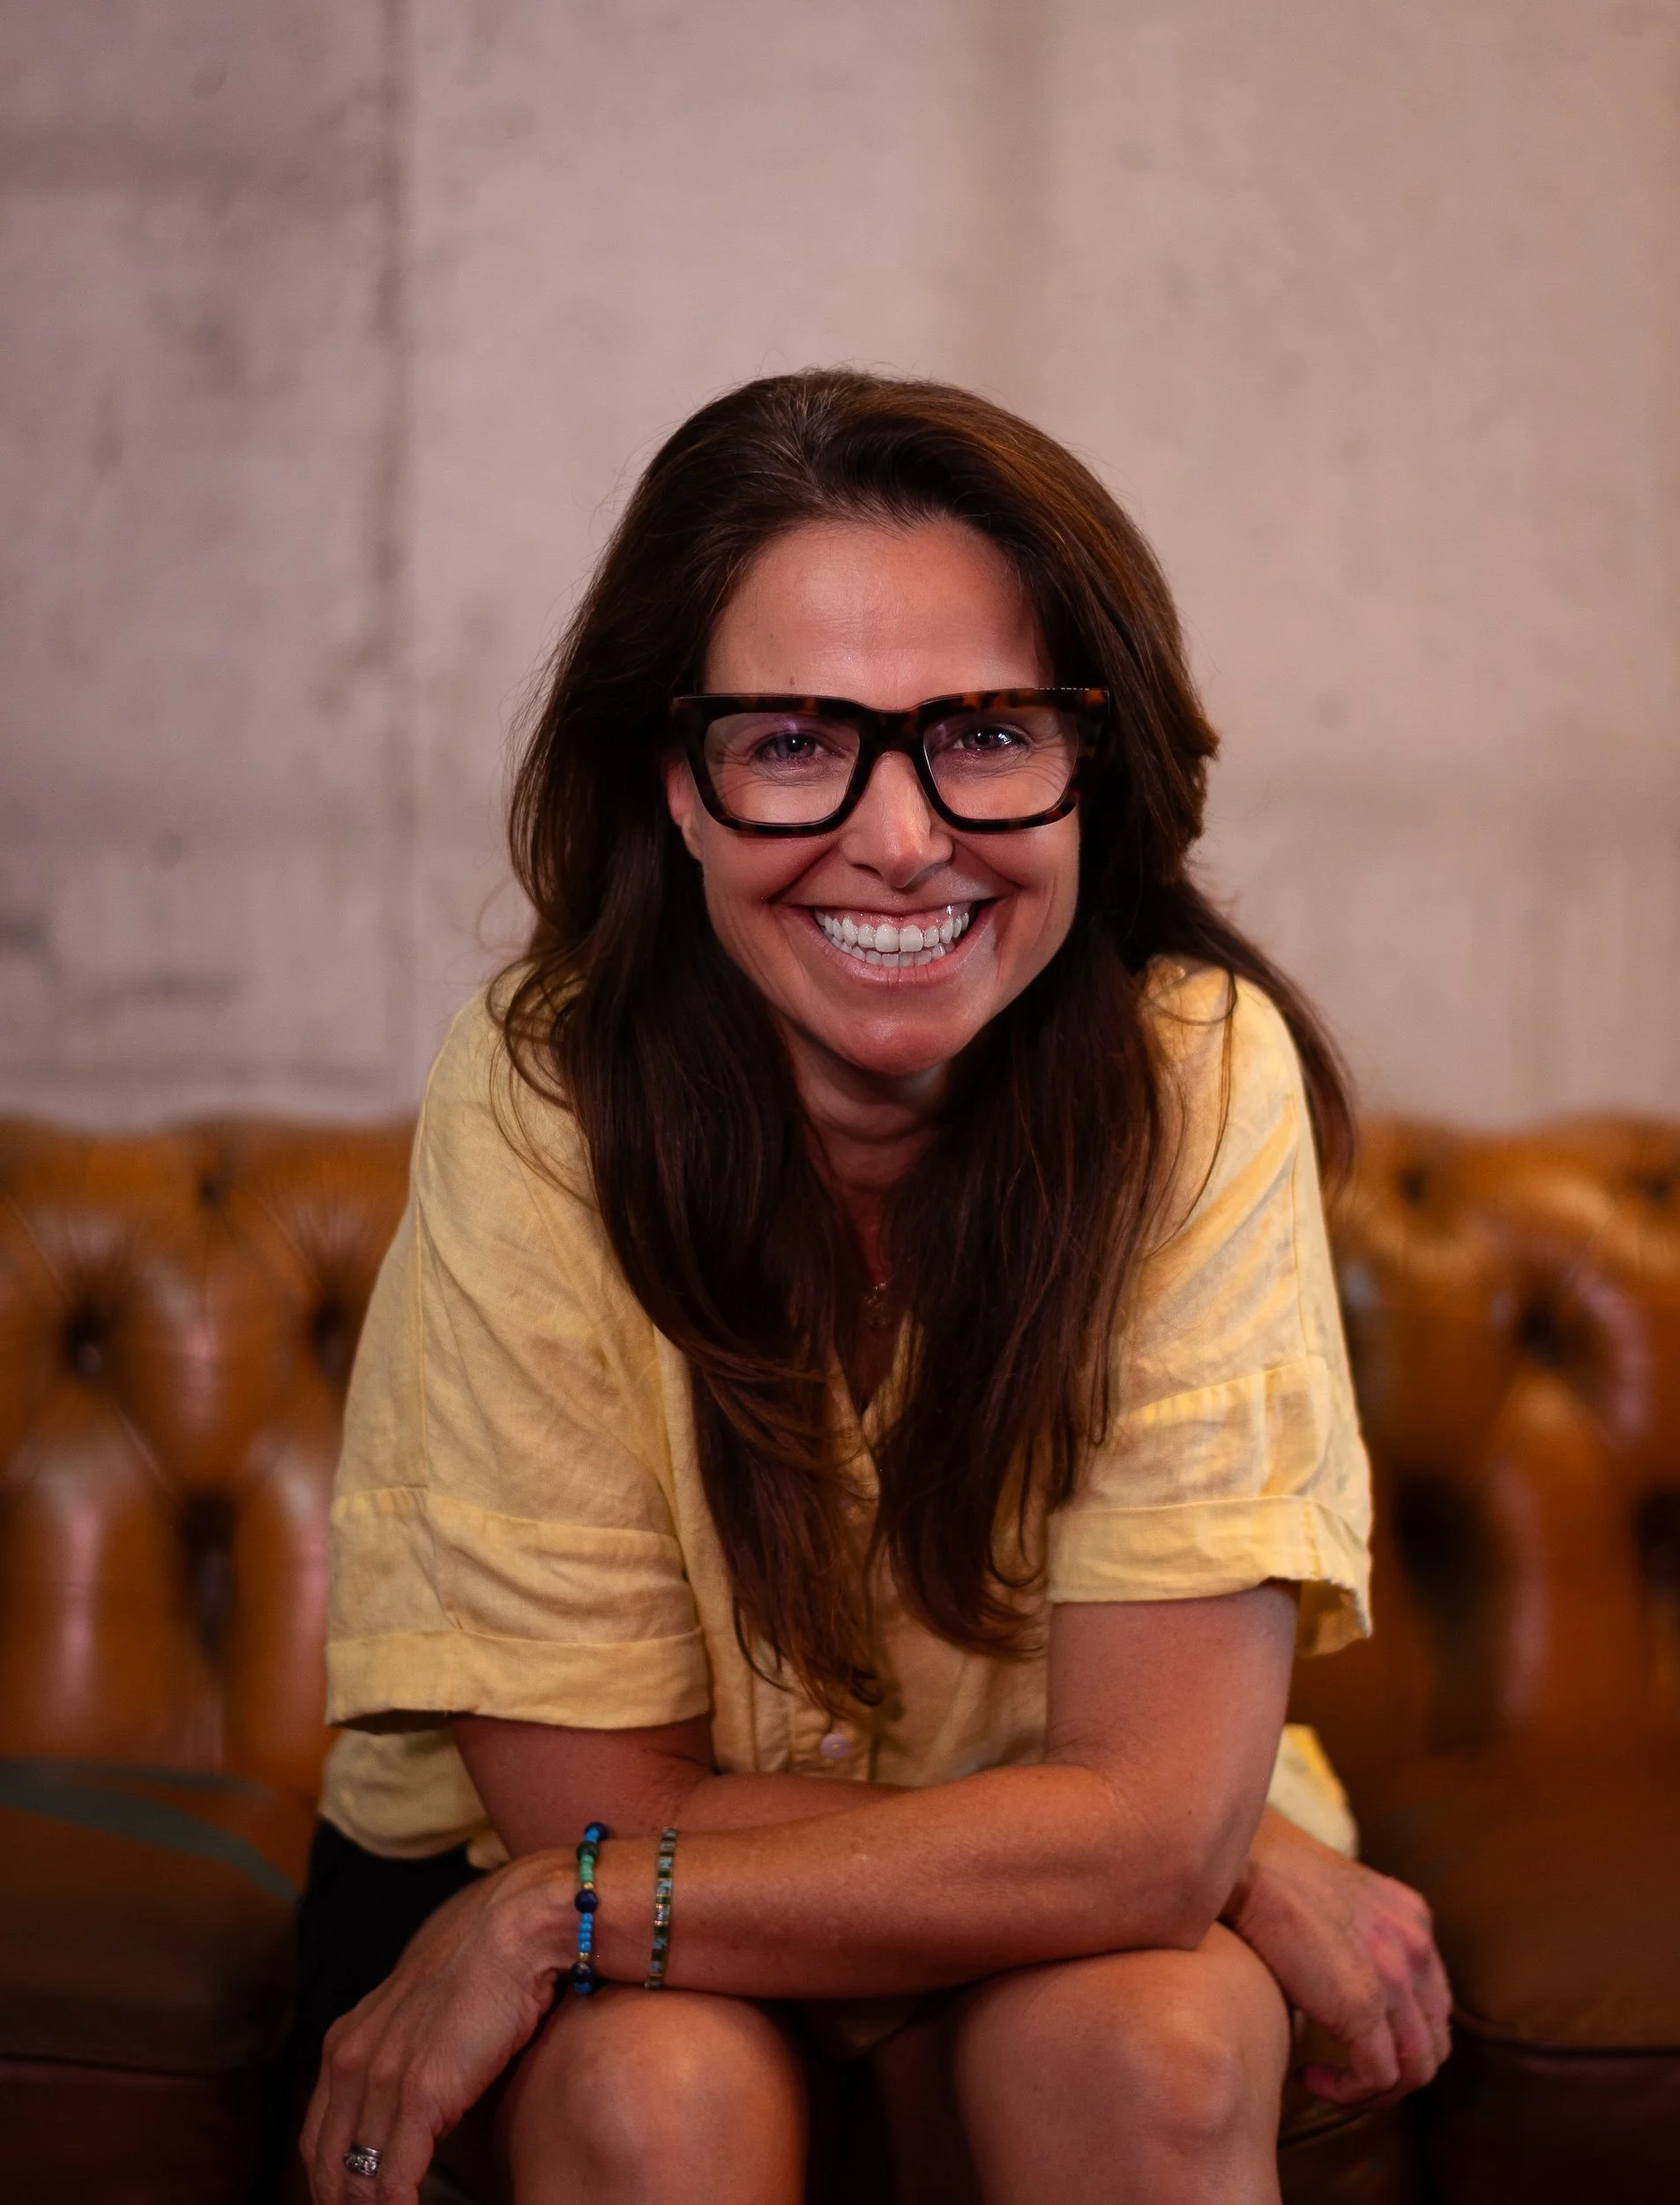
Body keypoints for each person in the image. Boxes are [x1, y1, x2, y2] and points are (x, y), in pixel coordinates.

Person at [296, 370, 1449, 2205]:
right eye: (790, 741)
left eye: (982, 733)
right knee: (656, 2093)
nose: (903, 838)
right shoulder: (539, 1096)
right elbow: (592, 1810)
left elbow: (1144, 1834)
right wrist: (1199, 1848)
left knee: (1147, 2054)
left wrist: (1177, 1843)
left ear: (1094, 769)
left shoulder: (1195, 1075)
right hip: (575, 1883)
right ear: (676, 784)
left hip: (947, 1913)